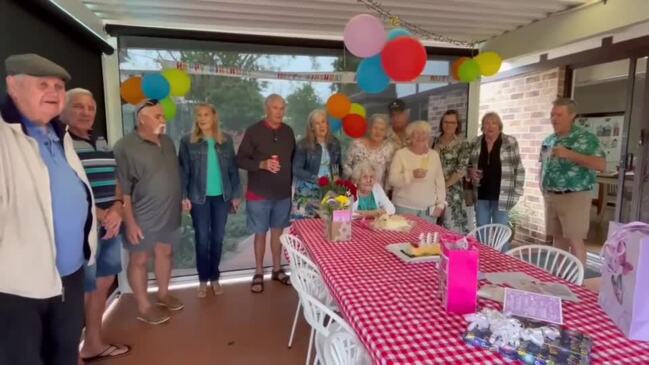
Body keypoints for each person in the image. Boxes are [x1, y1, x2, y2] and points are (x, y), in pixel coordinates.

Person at [0, 54, 97, 365]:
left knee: (65, 354)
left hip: (69, 275)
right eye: (43, 84)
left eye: (58, 86)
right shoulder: (5, 136)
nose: (54, 92)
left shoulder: (60, 135)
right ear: (13, 86)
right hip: (18, 288)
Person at [61, 88, 131, 361]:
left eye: (90, 107)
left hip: (110, 226)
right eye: (79, 106)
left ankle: (93, 343)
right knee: (79, 291)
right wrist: (100, 213)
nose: (86, 112)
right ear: (64, 109)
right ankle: (70, 354)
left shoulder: (99, 140)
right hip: (81, 229)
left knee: (103, 283)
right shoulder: (59, 142)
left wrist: (117, 207)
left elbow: (115, 177)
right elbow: (64, 187)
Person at [113, 99, 184, 325]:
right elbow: (122, 188)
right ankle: (144, 307)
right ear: (141, 119)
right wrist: (130, 222)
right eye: (157, 116)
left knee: (166, 253)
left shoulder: (168, 142)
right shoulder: (124, 146)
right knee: (140, 259)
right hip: (141, 215)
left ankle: (163, 295)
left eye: (163, 116)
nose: (163, 120)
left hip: (169, 213)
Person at [179, 103, 241, 298]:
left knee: (217, 238)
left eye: (206, 114)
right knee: (202, 239)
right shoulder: (187, 142)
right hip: (199, 198)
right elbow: (183, 172)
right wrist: (183, 197)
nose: (202, 118)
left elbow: (233, 170)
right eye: (199, 115)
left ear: (214, 117)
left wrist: (236, 195)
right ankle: (203, 280)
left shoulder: (226, 141)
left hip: (222, 198)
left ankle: (215, 277)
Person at [236, 94, 295, 293]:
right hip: (259, 194)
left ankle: (277, 270)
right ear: (267, 108)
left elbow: (292, 159)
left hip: (282, 194)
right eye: (275, 108)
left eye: (282, 108)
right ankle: (259, 271)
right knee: (260, 233)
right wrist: (261, 164)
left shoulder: (288, 132)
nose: (279, 112)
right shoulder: (254, 131)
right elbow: (240, 160)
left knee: (278, 233)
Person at [540, 98, 605, 264]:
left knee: (575, 240)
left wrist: (570, 154)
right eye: (552, 115)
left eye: (559, 114)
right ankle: (560, 280)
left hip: (574, 196)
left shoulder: (586, 138)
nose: (554, 119)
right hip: (551, 196)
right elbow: (543, 165)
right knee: (558, 239)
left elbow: (601, 165)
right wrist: (542, 185)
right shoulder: (549, 140)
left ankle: (578, 283)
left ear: (572, 116)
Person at [468, 112, 525, 233]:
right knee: (481, 229)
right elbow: (468, 165)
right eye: (486, 123)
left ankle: (500, 252)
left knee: (501, 231)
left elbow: (519, 168)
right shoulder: (475, 142)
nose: (490, 126)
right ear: (482, 127)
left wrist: (518, 191)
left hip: (502, 195)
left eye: (494, 123)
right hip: (481, 194)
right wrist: (470, 172)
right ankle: (484, 253)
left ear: (499, 126)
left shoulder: (510, 141)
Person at [388, 121, 446, 223]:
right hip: (404, 208)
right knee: (405, 239)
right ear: (410, 137)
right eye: (416, 133)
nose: (420, 136)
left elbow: (440, 182)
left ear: (428, 136)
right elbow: (392, 180)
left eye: (423, 133)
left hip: (429, 210)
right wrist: (411, 175)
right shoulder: (401, 154)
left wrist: (441, 204)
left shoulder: (434, 155)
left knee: (428, 238)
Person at [292, 108, 342, 219]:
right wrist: (316, 179)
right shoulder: (303, 144)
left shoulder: (334, 143)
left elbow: (336, 164)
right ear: (312, 127)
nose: (321, 126)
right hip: (307, 191)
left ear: (327, 124)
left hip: (328, 190)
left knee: (326, 227)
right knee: (304, 227)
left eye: (323, 122)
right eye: (317, 123)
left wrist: (336, 175)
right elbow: (296, 169)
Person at [432, 110, 470, 234]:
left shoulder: (463, 143)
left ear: (457, 124)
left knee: (452, 226)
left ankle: (453, 252)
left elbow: (461, 169)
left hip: (453, 191)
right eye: (445, 122)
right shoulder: (434, 141)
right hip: (433, 189)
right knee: (432, 224)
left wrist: (444, 186)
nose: (448, 125)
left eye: (452, 122)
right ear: (442, 123)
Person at [343, 113, 395, 190]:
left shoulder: (389, 148)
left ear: (386, 132)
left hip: (377, 191)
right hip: (355, 189)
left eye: (382, 129)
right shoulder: (357, 144)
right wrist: (353, 179)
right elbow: (346, 165)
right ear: (369, 129)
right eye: (375, 128)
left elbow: (389, 173)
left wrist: (385, 193)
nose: (378, 132)